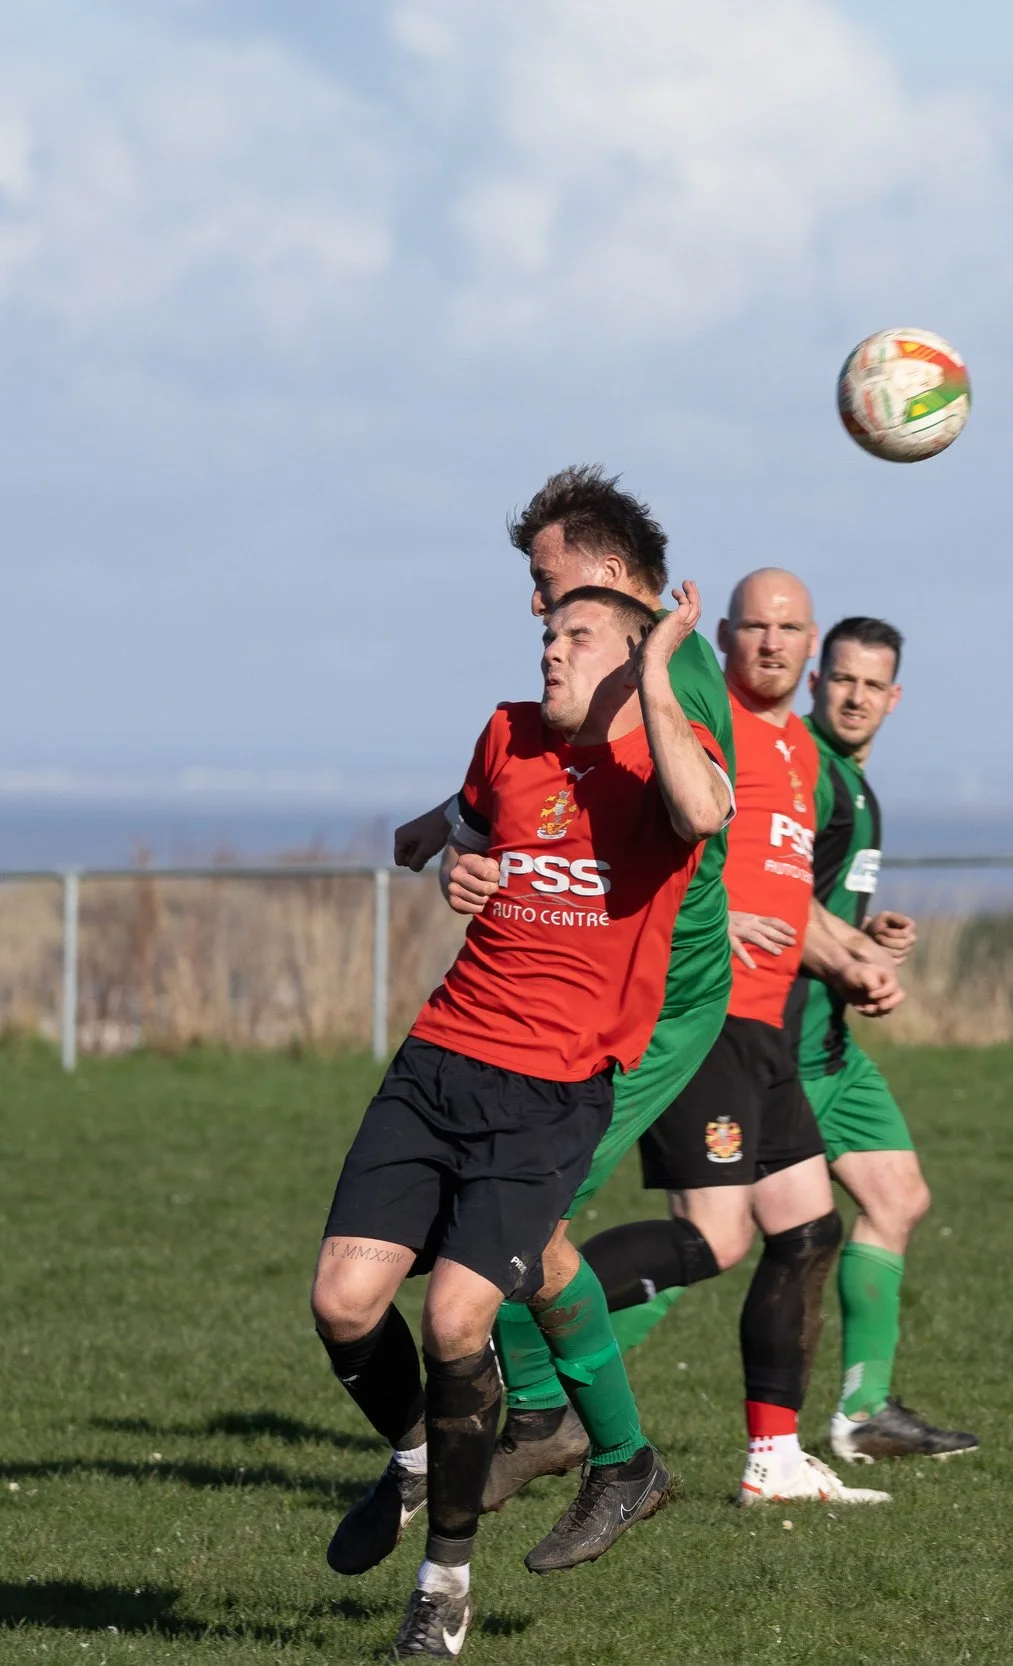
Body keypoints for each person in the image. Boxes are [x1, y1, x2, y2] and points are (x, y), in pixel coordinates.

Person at [312, 585, 732, 1660]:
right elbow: (467, 828)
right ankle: (420, 1451)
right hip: (440, 1060)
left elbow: (703, 815)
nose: (550, 651)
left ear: (631, 655)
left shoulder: (664, 761)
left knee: (457, 1320)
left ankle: (443, 1585)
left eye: (574, 637)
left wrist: (657, 672)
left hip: (551, 1090)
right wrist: (453, 861)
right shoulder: (504, 732)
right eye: (545, 634)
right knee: (345, 1302)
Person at [394, 466, 741, 1510]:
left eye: (546, 582)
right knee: (508, 1219)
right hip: (593, 995)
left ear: (609, 577)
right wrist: (457, 829)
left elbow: (692, 812)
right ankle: (546, 1417)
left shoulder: (664, 677)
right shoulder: (627, 679)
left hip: (648, 1003)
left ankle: (560, 1427)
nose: (536, 607)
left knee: (516, 1216)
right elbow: (560, 792)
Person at [576, 568, 898, 1507]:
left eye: (789, 627)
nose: (772, 642)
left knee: (808, 1230)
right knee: (714, 1239)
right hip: (706, 1014)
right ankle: (527, 1331)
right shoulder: (707, 722)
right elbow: (664, 849)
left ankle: (774, 1460)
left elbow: (785, 898)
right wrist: (715, 928)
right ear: (723, 634)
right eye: (754, 625)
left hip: (768, 1028)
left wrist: (855, 961)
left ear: (811, 641)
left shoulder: (805, 752)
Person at [787, 617, 978, 1463]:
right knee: (710, 1239)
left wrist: (870, 941)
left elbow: (824, 906)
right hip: (780, 1050)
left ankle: (864, 1412)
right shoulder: (802, 774)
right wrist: (853, 957)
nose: (856, 696)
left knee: (898, 1198)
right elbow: (770, 895)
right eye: (842, 679)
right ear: (814, 682)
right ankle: (538, 1382)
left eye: (873, 685)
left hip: (833, 1046)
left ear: (894, 698)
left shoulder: (855, 788)